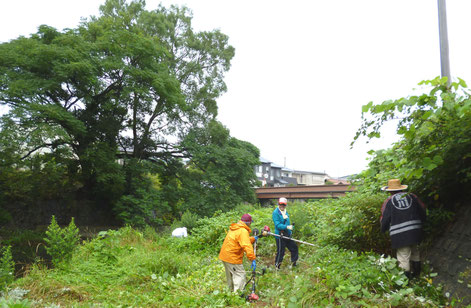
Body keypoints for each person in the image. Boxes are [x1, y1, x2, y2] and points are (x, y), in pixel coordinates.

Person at [380, 179, 427, 279]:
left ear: (390, 191)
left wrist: (383, 229)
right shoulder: (412, 196)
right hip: (415, 230)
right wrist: (423, 222)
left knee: (403, 256)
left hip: (400, 234)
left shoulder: (388, 201)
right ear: (401, 188)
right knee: (415, 251)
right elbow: (422, 209)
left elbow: (385, 218)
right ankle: (417, 275)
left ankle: (406, 281)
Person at [218, 214, 257, 292]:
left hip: (225, 256)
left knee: (230, 275)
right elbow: (246, 245)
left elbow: (240, 240)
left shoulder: (235, 228)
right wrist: (252, 259)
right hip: (232, 258)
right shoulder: (243, 231)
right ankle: (237, 296)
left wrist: (252, 239)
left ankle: (230, 293)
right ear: (249, 223)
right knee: (240, 275)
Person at [272, 197, 298, 269]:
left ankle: (294, 264)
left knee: (294, 248)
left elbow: (287, 223)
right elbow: (277, 225)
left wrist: (290, 229)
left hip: (287, 234)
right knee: (281, 252)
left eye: (283, 205)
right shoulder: (276, 213)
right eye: (281, 204)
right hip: (279, 235)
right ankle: (277, 266)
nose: (282, 206)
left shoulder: (285, 212)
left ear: (285, 205)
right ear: (278, 204)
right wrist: (287, 227)